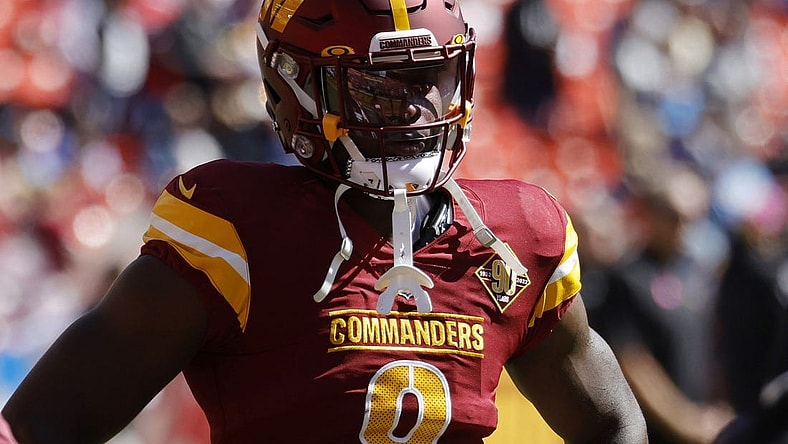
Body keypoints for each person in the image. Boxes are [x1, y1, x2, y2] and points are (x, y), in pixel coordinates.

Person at [0, 1, 647, 442]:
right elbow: (39, 427)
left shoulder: (516, 231)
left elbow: (611, 423)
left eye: (430, 79)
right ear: (293, 91)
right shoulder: (235, 230)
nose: (418, 111)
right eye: (378, 86)